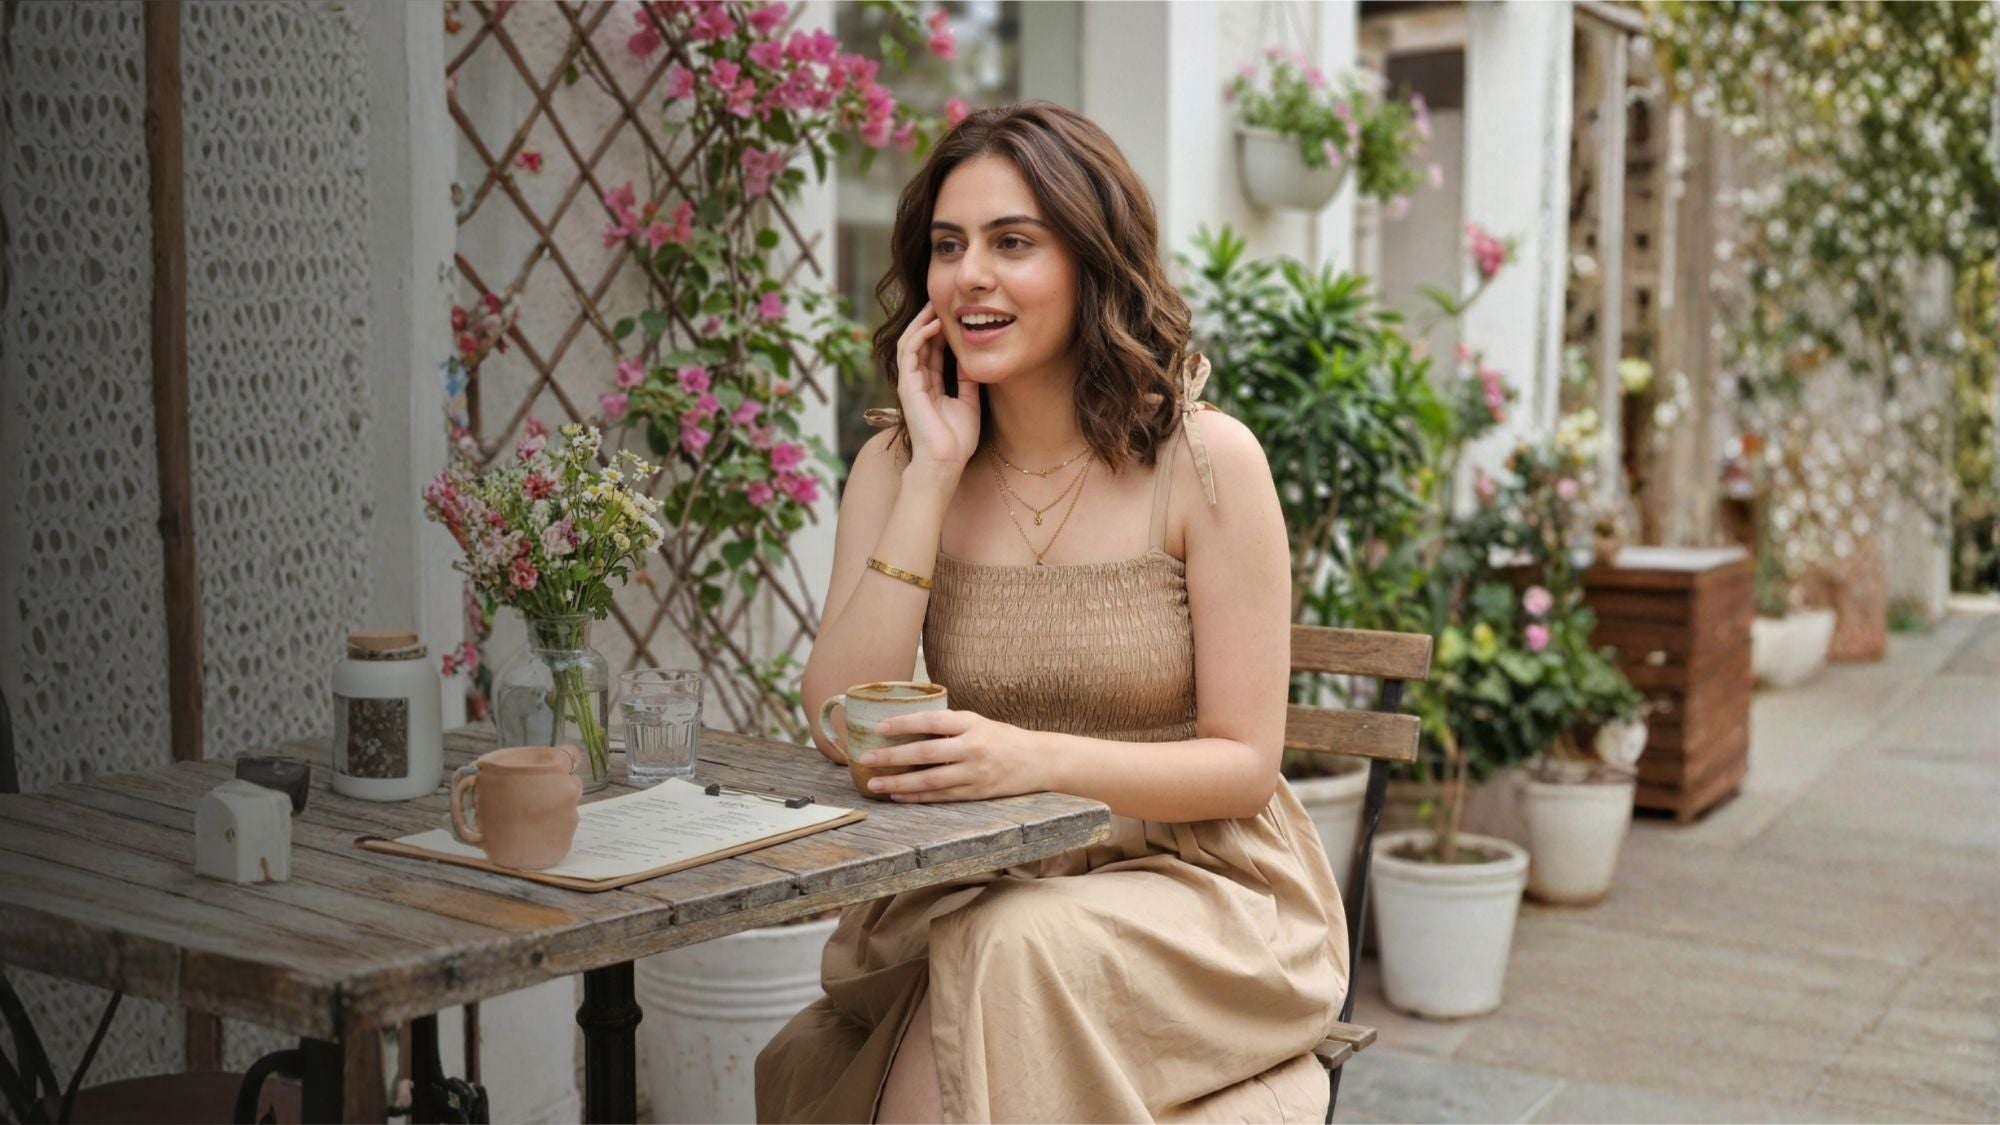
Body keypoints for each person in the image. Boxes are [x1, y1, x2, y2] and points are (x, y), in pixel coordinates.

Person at [755, 101, 1347, 1124]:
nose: (969, 275)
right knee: (967, 962)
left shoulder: (1205, 464)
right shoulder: (895, 465)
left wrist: (1032, 758)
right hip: (968, 884)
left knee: (1001, 954)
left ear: (1090, 260)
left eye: (1012, 242)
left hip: (1199, 893)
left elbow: (1243, 766)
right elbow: (832, 719)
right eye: (947, 246)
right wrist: (933, 475)